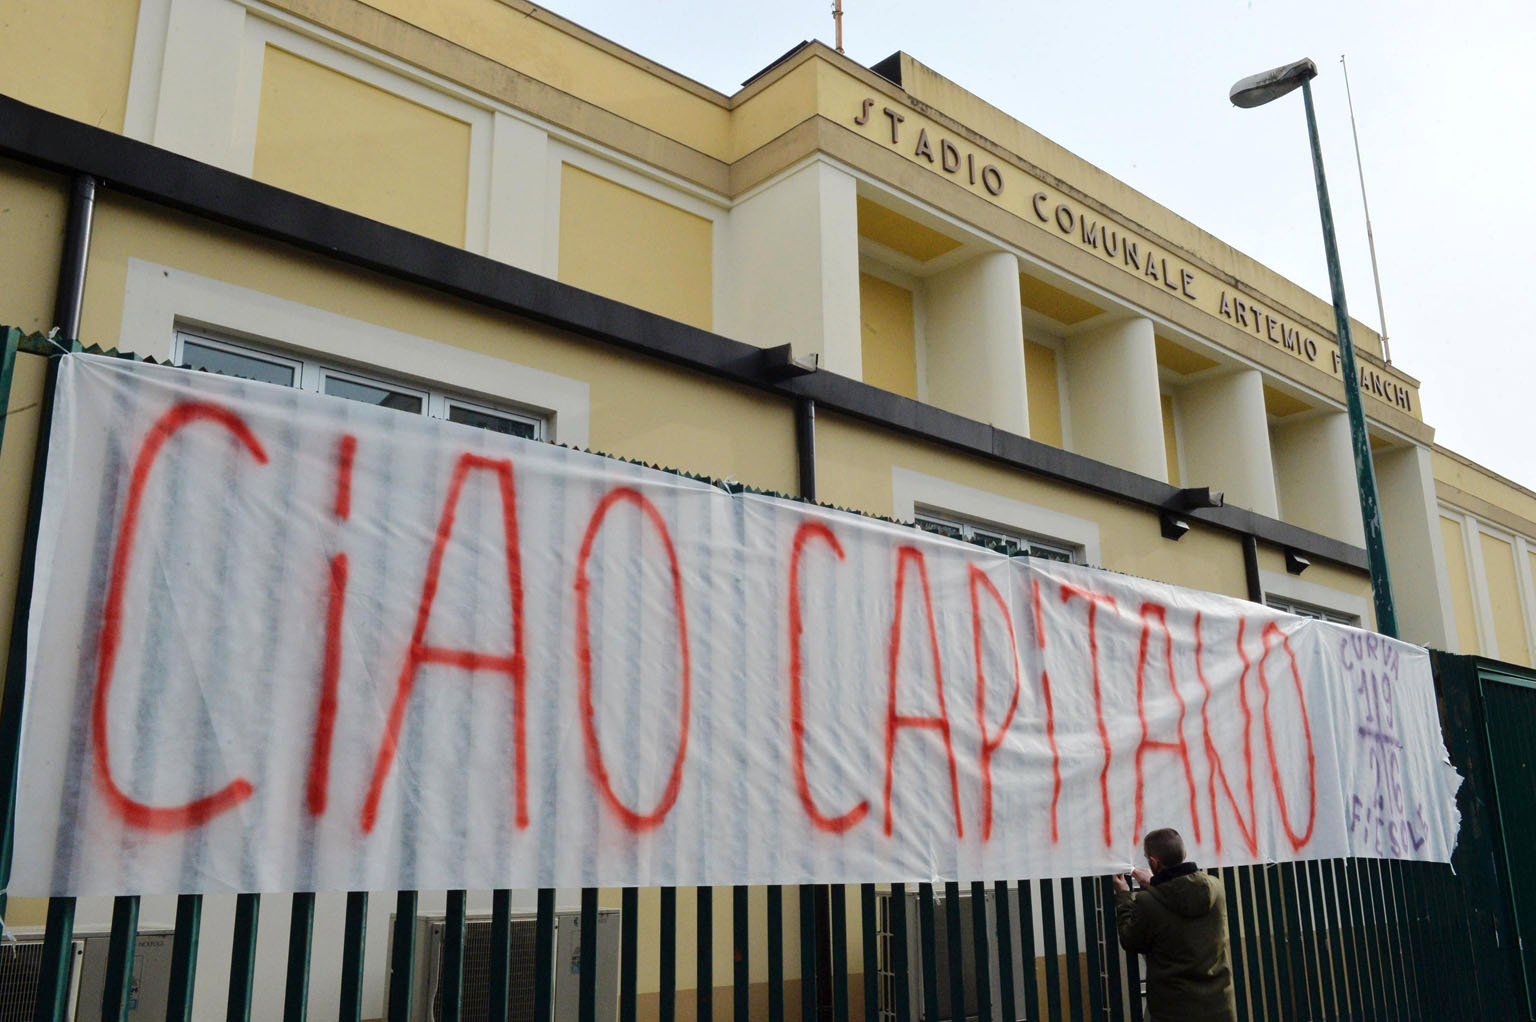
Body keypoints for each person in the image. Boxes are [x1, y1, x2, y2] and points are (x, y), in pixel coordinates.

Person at [1112, 827, 1237, 1022]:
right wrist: (1154, 883)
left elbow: (1131, 941)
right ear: (1184, 854)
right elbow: (1180, 896)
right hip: (1219, 1006)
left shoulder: (1147, 902)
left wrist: (1124, 897)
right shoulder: (1216, 888)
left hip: (1173, 1010)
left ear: (1153, 862)